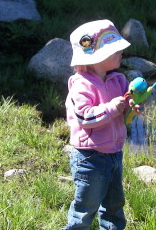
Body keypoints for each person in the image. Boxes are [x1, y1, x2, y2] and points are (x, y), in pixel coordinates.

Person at [63, 19, 140, 230]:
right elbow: (85, 118)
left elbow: (125, 103)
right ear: (96, 58)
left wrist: (131, 106)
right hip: (90, 157)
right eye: (115, 50)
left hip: (114, 153)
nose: (121, 52)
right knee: (85, 207)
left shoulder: (118, 80)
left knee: (114, 205)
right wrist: (112, 108)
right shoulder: (81, 85)